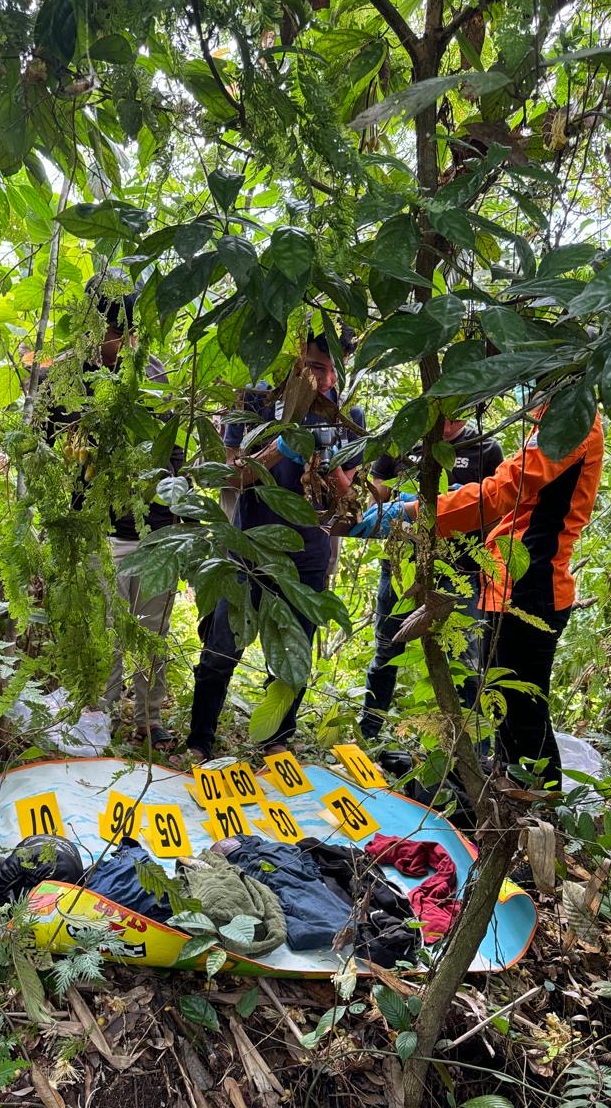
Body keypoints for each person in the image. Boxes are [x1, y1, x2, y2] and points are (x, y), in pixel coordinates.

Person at [351, 408, 605, 781]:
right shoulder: (549, 414)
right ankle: (506, 796)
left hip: (533, 584)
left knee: (525, 716)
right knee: (505, 709)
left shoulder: (573, 416)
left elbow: (503, 491)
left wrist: (412, 512)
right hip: (505, 583)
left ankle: (539, 815)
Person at [186, 330, 364, 762]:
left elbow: (349, 504)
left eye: (333, 370)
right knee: (221, 647)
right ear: (296, 361)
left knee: (292, 657)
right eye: (317, 368)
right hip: (251, 549)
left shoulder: (348, 414)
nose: (325, 380)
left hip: (308, 556)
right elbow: (228, 476)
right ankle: (198, 741)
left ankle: (276, 742)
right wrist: (278, 449)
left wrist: (328, 464)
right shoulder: (256, 402)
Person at [40, 280, 183, 751]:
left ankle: (147, 716)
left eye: (122, 333)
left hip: (156, 525)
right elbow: (42, 438)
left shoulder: (152, 374)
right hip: (99, 527)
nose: (115, 343)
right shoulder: (69, 377)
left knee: (151, 628)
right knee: (104, 629)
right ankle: (94, 715)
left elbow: (171, 450)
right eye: (107, 332)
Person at [359, 416, 503, 741]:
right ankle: (368, 735)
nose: (451, 425)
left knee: (465, 660)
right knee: (387, 649)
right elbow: (376, 498)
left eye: (459, 417)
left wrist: (462, 500)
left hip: (462, 570)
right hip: (403, 566)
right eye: (445, 417)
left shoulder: (486, 448)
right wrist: (409, 499)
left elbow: (498, 508)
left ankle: (468, 749)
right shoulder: (401, 437)